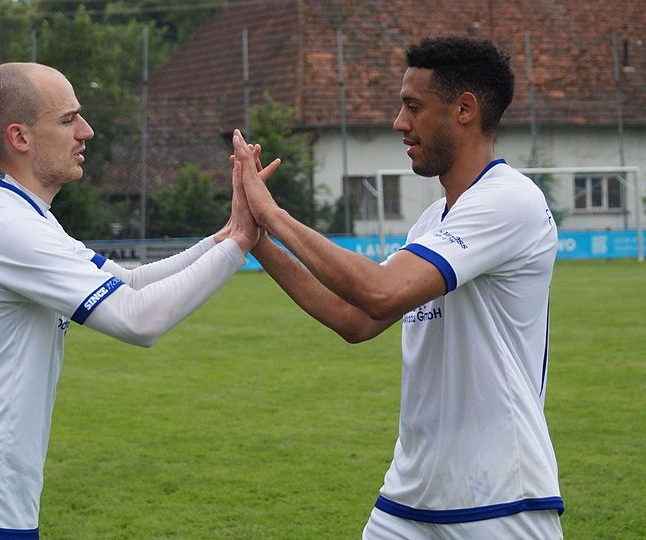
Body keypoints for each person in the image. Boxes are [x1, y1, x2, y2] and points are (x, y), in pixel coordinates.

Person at [0, 62, 270, 539]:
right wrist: (241, 242)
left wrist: (226, 235)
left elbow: (129, 283)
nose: (86, 131)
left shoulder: (6, 209)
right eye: (67, 119)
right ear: (20, 137)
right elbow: (139, 320)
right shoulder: (9, 226)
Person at [231, 35, 563, 538]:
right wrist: (256, 238)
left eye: (413, 106)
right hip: (408, 498)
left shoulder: (510, 200)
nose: (399, 123)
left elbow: (380, 291)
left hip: (499, 498)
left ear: (464, 109)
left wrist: (272, 213)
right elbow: (357, 319)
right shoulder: (431, 222)